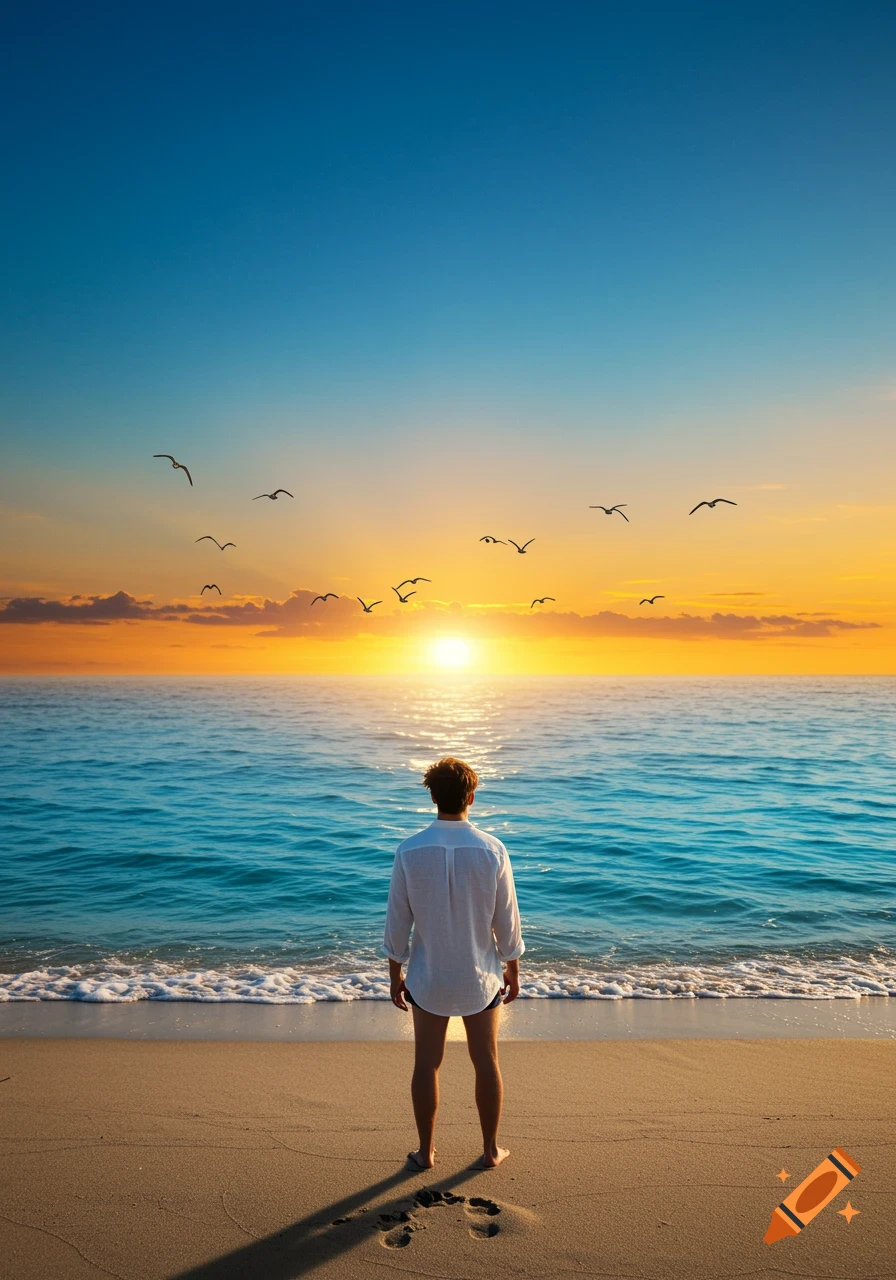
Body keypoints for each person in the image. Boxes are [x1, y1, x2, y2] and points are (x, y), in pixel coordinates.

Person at [382, 756, 525, 1171]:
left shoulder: (409, 850)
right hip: (479, 978)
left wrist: (396, 973)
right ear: (472, 797)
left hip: (428, 979)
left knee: (426, 1063)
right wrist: (512, 968)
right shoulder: (493, 849)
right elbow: (507, 920)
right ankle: (491, 1150)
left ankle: (425, 1152)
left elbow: (397, 921)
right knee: (487, 1061)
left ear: (432, 797)